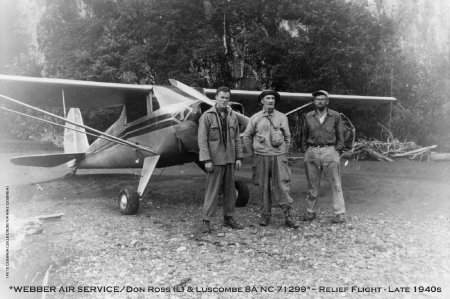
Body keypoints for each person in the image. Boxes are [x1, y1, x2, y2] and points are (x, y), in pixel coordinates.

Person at [243, 90, 299, 228]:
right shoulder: (255, 118)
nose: (270, 100)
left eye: (272, 98)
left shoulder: (281, 117)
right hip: (261, 156)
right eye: (267, 98)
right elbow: (247, 136)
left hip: (278, 156)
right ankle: (265, 215)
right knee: (263, 187)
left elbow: (287, 137)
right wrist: (252, 153)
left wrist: (284, 153)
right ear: (262, 101)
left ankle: (289, 215)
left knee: (282, 186)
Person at [198, 86, 244, 233]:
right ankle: (207, 220)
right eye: (222, 97)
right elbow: (202, 140)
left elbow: (237, 138)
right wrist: (206, 160)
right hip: (215, 159)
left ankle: (228, 218)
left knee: (230, 191)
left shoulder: (232, 116)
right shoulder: (207, 116)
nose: (224, 100)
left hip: (230, 159)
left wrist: (239, 157)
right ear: (216, 98)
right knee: (212, 191)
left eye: (227, 98)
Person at [300, 90, 346, 223]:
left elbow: (340, 136)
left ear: (327, 101)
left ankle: (340, 213)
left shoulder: (335, 116)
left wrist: (336, 151)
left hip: (329, 150)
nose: (319, 101)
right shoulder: (308, 116)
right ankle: (310, 212)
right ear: (314, 102)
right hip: (312, 151)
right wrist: (306, 150)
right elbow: (304, 134)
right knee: (312, 185)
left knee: (336, 184)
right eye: (317, 99)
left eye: (322, 99)